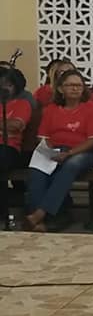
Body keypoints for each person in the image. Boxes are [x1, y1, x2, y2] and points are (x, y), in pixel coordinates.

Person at [25, 70, 93, 232]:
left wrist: (69, 153)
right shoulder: (51, 109)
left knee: (71, 165)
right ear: (60, 89)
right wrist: (50, 150)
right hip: (54, 150)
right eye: (70, 85)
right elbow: (43, 136)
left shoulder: (91, 108)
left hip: (82, 152)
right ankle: (41, 223)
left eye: (79, 85)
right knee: (37, 170)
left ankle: (39, 213)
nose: (75, 89)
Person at [0, 67, 32, 229]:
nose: (3, 88)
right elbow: (8, 126)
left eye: (8, 84)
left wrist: (7, 126)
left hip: (10, 148)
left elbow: (16, 126)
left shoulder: (22, 104)